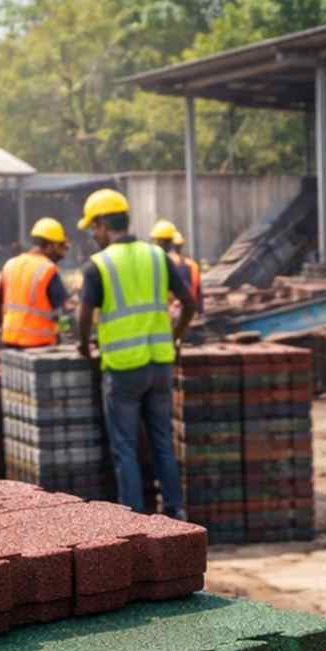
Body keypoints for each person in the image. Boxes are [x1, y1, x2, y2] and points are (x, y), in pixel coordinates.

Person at [74, 188, 198, 518]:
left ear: (103, 224)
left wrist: (85, 346)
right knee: (162, 442)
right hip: (159, 364)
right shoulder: (158, 257)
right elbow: (189, 303)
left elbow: (84, 314)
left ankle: (133, 518)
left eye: (93, 228)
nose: (93, 235)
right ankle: (175, 511)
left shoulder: (98, 265)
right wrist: (174, 337)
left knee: (125, 448)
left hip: (123, 370)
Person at [0, 218, 71, 349]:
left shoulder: (10, 265)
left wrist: (6, 330)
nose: (62, 254)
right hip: (39, 344)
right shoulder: (48, 269)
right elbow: (64, 312)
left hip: (10, 342)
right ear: (50, 245)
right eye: (60, 246)